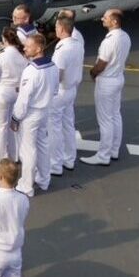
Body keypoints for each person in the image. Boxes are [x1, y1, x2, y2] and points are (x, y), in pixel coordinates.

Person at [83, 10, 131, 166]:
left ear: (114, 22)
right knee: (115, 114)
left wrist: (92, 72)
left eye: (106, 17)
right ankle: (114, 150)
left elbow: (101, 64)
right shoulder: (125, 36)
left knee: (105, 120)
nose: (102, 19)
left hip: (107, 81)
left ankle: (103, 156)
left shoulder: (109, 41)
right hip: (118, 78)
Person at [11, 35, 57, 195]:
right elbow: (55, 90)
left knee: (27, 150)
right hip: (45, 111)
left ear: (38, 49)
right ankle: (44, 179)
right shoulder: (53, 66)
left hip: (31, 114)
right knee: (43, 146)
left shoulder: (31, 71)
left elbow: (23, 99)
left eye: (28, 46)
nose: (24, 48)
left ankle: (26, 185)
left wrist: (16, 117)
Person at [50, 14, 85, 175]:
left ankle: (55, 163)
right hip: (71, 90)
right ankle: (69, 158)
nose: (55, 30)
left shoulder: (62, 50)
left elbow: (58, 75)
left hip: (61, 91)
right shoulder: (78, 44)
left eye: (57, 27)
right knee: (68, 124)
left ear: (62, 29)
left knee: (54, 127)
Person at [0, 27, 28, 168]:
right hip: (17, 92)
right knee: (13, 125)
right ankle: (14, 154)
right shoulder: (21, 55)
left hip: (2, 91)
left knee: (0, 126)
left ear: (4, 39)